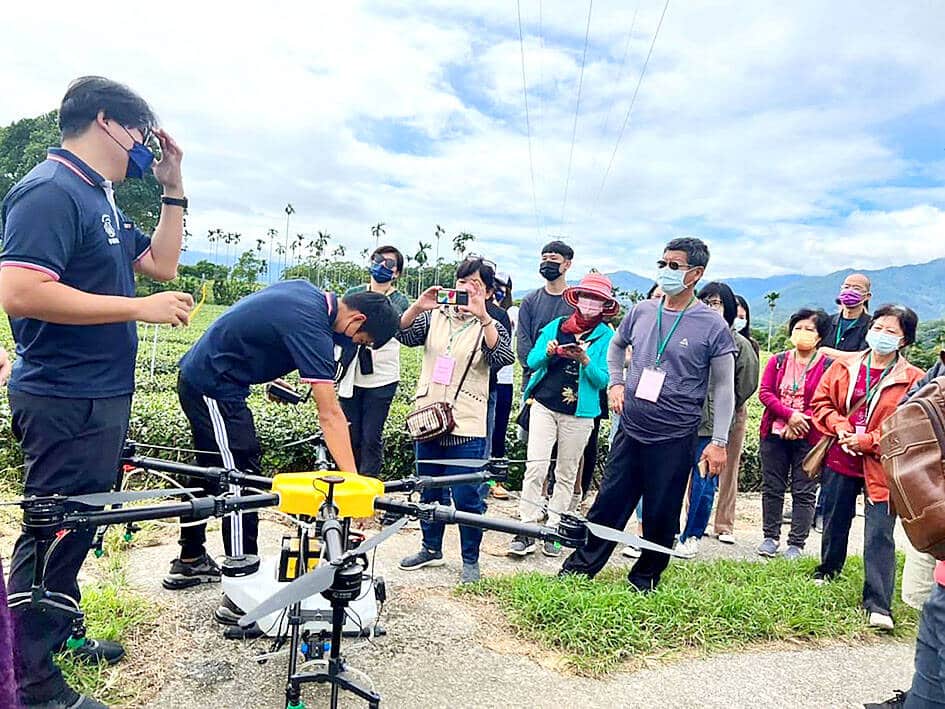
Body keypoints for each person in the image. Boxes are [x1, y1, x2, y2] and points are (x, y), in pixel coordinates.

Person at [0, 76, 189, 709]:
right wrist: (136, 311)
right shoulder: (51, 192)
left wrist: (173, 188)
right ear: (108, 121)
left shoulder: (98, 197)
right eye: (141, 133)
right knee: (51, 530)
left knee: (79, 525)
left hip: (98, 394)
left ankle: (59, 633)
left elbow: (161, 265)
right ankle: (34, 684)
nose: (144, 145)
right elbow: (21, 291)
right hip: (62, 395)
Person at [169, 283, 400, 625]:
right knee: (239, 478)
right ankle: (239, 587)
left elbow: (257, 329)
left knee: (211, 469)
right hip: (213, 386)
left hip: (210, 377)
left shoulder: (308, 296)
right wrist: (352, 482)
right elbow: (330, 415)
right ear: (357, 319)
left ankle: (190, 560)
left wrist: (263, 375)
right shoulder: (313, 326)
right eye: (360, 339)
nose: (353, 345)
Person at [560, 237, 737, 592]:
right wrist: (616, 384)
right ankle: (579, 570)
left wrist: (718, 442)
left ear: (696, 273)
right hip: (632, 427)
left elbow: (723, 388)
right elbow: (615, 346)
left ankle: (645, 578)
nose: (666, 271)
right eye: (663, 264)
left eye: (675, 266)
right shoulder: (642, 311)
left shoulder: (711, 325)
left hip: (675, 436)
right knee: (609, 502)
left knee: (661, 512)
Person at [397, 257, 514, 584]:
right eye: (462, 282)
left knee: (467, 498)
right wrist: (418, 306)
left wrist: (483, 317)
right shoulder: (435, 316)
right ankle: (430, 548)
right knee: (428, 491)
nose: (465, 289)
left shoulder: (491, 324)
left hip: (467, 423)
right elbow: (402, 333)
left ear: (489, 292)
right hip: (428, 419)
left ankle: (470, 559)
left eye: (475, 285)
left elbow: (501, 358)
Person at [810, 304, 923, 630]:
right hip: (841, 454)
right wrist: (840, 425)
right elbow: (821, 402)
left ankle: (878, 604)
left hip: (883, 464)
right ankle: (828, 569)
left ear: (903, 341)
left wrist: (870, 440)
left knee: (879, 532)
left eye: (891, 331)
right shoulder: (845, 366)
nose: (882, 335)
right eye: (879, 327)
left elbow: (908, 427)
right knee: (835, 517)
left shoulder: (912, 378)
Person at [510, 273, 617, 557]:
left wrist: (585, 360)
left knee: (566, 473)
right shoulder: (556, 327)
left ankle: (555, 528)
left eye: (597, 300)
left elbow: (603, 380)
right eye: (587, 297)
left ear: (605, 305)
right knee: (536, 466)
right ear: (577, 298)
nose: (590, 303)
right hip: (545, 404)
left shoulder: (607, 336)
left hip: (580, 415)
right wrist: (547, 353)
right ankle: (527, 526)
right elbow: (531, 361)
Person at [676, 282, 759, 558]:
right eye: (706, 301)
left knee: (704, 482)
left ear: (729, 310)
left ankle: (692, 535)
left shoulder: (739, 344)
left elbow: (746, 385)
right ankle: (668, 530)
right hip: (679, 419)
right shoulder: (687, 335)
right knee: (671, 478)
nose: (711, 308)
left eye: (717, 303)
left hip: (713, 426)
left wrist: (721, 405)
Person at [756, 308, 832, 559]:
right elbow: (765, 392)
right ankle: (770, 537)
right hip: (773, 434)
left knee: (804, 490)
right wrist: (790, 416)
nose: (802, 333)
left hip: (809, 438)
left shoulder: (829, 366)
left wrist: (801, 421)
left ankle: (796, 543)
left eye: (809, 329)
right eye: (798, 328)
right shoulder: (777, 360)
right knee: (773, 486)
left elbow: (827, 399)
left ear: (820, 336)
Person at [337, 245, 410, 477]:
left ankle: (368, 489)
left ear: (396, 273)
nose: (381, 266)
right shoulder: (354, 293)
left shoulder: (400, 301)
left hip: (382, 375)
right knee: (351, 433)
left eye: (389, 264)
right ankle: (349, 480)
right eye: (378, 260)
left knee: (371, 436)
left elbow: (400, 328)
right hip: (351, 372)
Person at [713, 293, 760, 543]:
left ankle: (724, 524)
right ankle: (688, 519)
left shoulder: (747, 344)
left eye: (743, 316)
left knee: (729, 468)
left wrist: (729, 402)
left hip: (735, 411)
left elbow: (748, 383)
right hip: (702, 412)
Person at [516, 240, 575, 390]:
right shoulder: (530, 300)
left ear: (567, 264)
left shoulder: (575, 303)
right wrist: (533, 366)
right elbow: (523, 341)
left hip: (563, 382)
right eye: (544, 259)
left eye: (554, 259)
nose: (547, 262)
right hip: (533, 379)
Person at [489, 271, 516, 499]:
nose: (498, 289)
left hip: (504, 379)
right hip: (483, 379)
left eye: (502, 286)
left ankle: (495, 480)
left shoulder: (510, 313)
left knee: (499, 430)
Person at [824, 273, 873, 352]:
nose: (850, 291)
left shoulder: (872, 326)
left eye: (856, 288)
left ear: (867, 296)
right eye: (846, 287)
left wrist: (825, 351)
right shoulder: (827, 322)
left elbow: (863, 356)